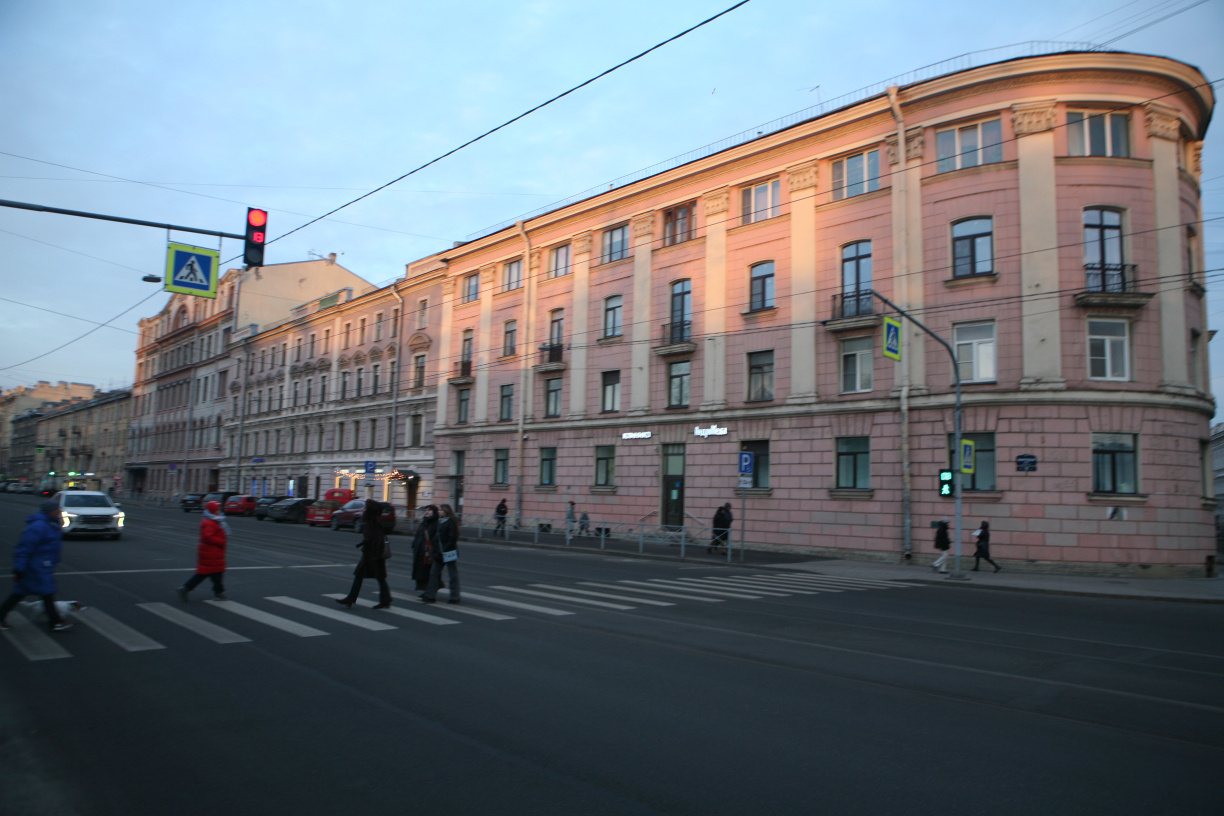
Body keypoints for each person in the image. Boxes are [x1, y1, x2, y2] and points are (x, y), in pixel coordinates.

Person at [0, 499, 73, 632]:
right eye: (57, 509)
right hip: (35, 567)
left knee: (20, 594)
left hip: (41, 566)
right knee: (46, 593)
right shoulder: (39, 526)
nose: (59, 511)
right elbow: (24, 548)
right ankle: (56, 622)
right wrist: (19, 569)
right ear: (50, 511)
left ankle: (55, 621)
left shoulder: (49, 524)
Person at [335, 501, 393, 609]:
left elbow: (376, 539)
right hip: (370, 554)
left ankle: (385, 600)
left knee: (379, 577)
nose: (364, 509)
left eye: (366, 508)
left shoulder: (374, 522)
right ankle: (351, 599)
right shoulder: (372, 521)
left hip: (374, 555)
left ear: (371, 510)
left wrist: (373, 550)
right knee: (363, 576)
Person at [178, 500, 229, 601]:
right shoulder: (209, 522)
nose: (219, 511)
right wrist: (221, 541)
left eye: (219, 509)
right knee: (215, 575)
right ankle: (218, 593)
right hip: (211, 553)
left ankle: (186, 588)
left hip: (213, 553)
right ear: (212, 510)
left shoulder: (215, 520)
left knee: (207, 574)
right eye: (217, 509)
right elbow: (208, 537)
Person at [421, 503, 460, 604]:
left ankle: (454, 597)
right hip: (439, 553)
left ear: (446, 512)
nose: (439, 512)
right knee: (433, 574)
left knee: (453, 575)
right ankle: (430, 596)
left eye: (441, 510)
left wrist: (445, 550)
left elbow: (452, 539)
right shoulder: (440, 521)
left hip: (449, 553)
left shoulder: (451, 522)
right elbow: (436, 536)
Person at [410, 505, 440, 591]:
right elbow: (418, 535)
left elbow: (436, 539)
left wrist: (434, 550)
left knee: (427, 572)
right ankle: (423, 588)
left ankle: (429, 589)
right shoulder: (424, 522)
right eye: (426, 510)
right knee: (420, 571)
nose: (427, 512)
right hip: (420, 551)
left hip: (429, 552)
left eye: (429, 510)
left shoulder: (436, 523)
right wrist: (414, 544)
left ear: (434, 512)